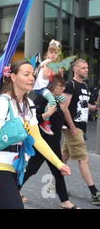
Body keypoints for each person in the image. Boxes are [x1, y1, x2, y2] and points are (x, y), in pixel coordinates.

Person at [0, 61, 70, 209]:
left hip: (17, 167)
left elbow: (38, 140)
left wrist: (59, 163)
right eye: (26, 74)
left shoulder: (28, 104)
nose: (31, 78)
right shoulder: (3, 103)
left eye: (33, 75)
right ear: (13, 77)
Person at [19, 76, 79, 209]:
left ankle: (65, 201)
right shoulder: (41, 99)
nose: (63, 88)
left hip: (54, 143)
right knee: (31, 170)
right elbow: (32, 120)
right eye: (60, 86)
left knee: (57, 171)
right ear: (51, 87)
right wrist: (46, 115)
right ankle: (14, 190)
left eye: (64, 86)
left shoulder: (58, 101)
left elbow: (58, 121)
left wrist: (63, 111)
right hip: (42, 144)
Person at [61, 58, 100, 205]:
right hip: (74, 128)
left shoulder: (84, 86)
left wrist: (95, 107)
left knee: (63, 158)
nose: (87, 70)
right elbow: (64, 107)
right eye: (83, 68)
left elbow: (86, 105)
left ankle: (55, 186)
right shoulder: (70, 84)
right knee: (83, 159)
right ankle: (94, 192)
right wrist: (72, 128)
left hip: (80, 128)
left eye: (87, 67)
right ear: (75, 69)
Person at [33, 39, 65, 136]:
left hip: (46, 88)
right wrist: (56, 71)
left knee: (62, 98)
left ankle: (59, 121)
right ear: (47, 53)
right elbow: (46, 75)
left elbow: (58, 79)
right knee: (52, 100)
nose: (53, 55)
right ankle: (45, 123)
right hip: (40, 88)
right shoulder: (46, 63)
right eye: (51, 52)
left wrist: (60, 72)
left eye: (55, 53)